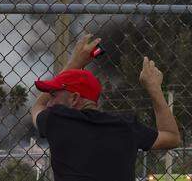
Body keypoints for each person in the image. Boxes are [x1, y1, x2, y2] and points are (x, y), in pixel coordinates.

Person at [30, 34, 181, 180]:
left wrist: (75, 63)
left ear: (75, 98)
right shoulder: (126, 126)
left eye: (53, 95)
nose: (49, 102)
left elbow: (38, 106)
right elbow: (171, 137)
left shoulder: (57, 120)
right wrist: (154, 88)